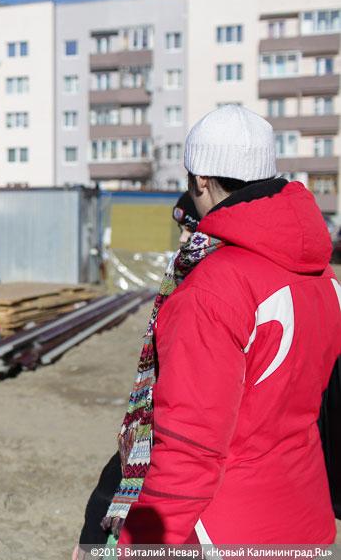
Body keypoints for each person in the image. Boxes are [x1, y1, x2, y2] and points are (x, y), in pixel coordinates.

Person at [106, 105, 339, 545]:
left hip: (226, 531)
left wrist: (141, 548)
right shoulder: (324, 279)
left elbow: (189, 447)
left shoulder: (213, 288)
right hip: (306, 519)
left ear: (200, 181)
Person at [74, 193, 202, 554]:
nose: (180, 240)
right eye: (179, 229)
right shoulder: (180, 285)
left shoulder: (203, 298)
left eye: (189, 228)